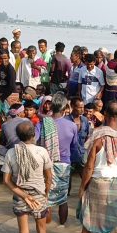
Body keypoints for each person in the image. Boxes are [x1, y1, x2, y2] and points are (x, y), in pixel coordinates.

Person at [77, 101, 117, 233]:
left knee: (87, 223)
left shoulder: (97, 137)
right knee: (112, 226)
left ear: (105, 114)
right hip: (116, 182)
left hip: (97, 183)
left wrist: (82, 187)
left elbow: (88, 167)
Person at [2, 121, 52, 233]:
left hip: (20, 195)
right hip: (39, 195)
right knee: (42, 230)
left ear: (17, 136)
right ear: (34, 134)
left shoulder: (12, 153)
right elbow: (49, 177)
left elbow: (6, 180)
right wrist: (45, 195)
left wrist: (24, 195)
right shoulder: (41, 151)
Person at [39, 93, 78, 225]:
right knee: (63, 199)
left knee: (47, 198)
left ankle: (47, 228)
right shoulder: (72, 126)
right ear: (64, 108)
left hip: (46, 164)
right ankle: (62, 227)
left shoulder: (43, 123)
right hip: (64, 165)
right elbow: (74, 148)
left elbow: (34, 143)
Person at [64, 97, 90, 181]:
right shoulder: (65, 120)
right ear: (72, 106)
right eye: (79, 107)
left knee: (86, 179)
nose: (82, 110)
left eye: (83, 107)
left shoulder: (85, 120)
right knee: (67, 181)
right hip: (69, 155)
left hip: (81, 154)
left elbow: (87, 137)